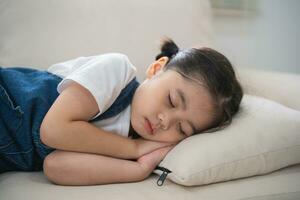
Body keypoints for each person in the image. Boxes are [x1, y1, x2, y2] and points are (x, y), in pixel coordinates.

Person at [0, 37, 243, 185]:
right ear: (157, 69)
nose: (165, 121)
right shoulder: (117, 71)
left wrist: (138, 168)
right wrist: (132, 149)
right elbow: (53, 130)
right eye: (171, 100)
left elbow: (55, 166)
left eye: (182, 128)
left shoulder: (128, 142)